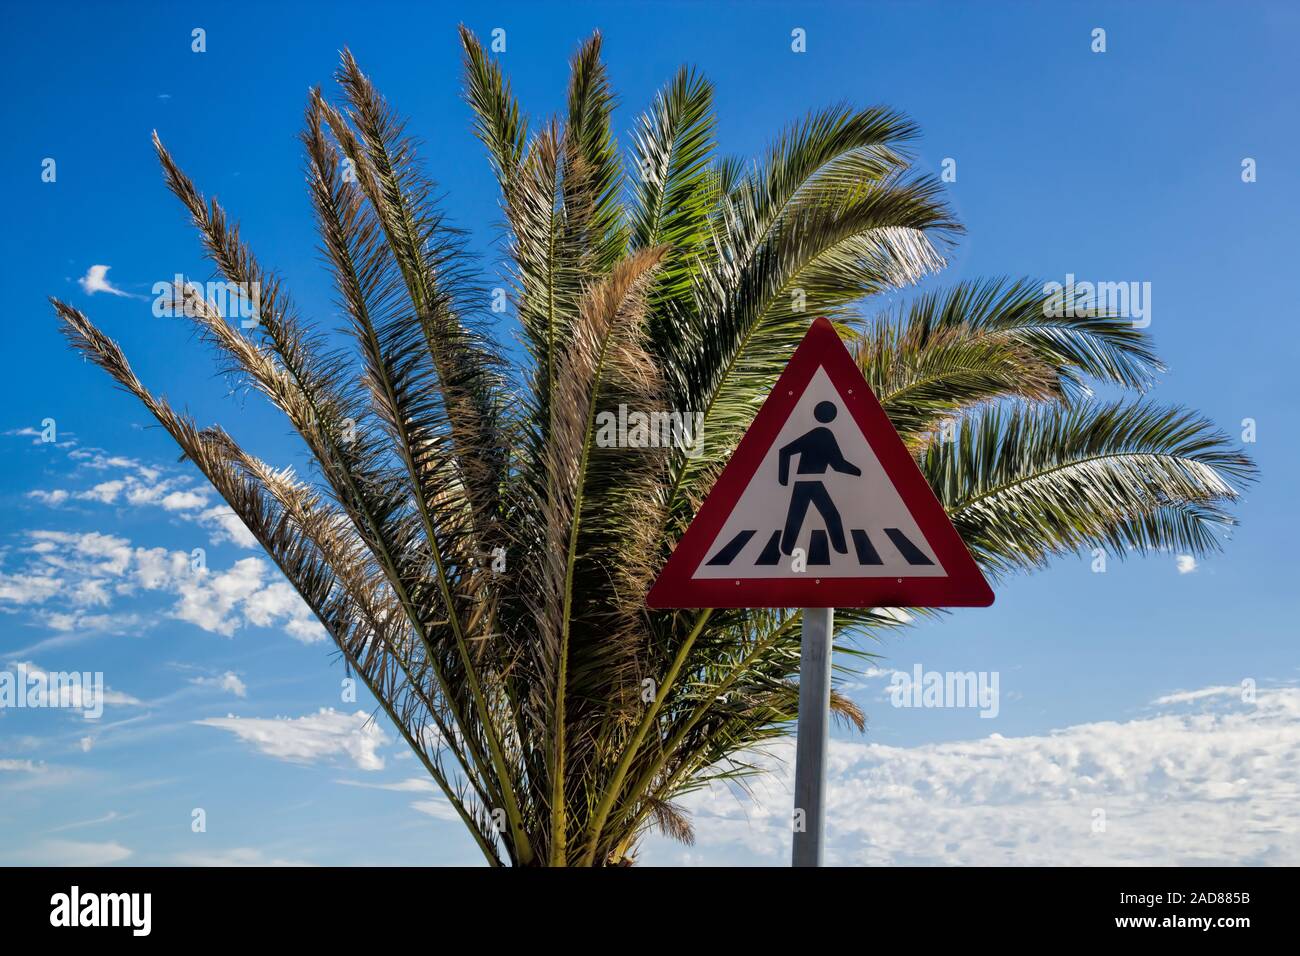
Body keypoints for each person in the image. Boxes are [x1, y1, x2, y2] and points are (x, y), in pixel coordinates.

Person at [778, 401, 861, 555]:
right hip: (812, 483)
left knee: (796, 517)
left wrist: (784, 480)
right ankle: (842, 550)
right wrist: (859, 472)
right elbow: (838, 464)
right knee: (831, 515)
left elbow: (784, 452)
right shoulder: (823, 434)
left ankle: (786, 549)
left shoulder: (818, 434)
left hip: (806, 483)